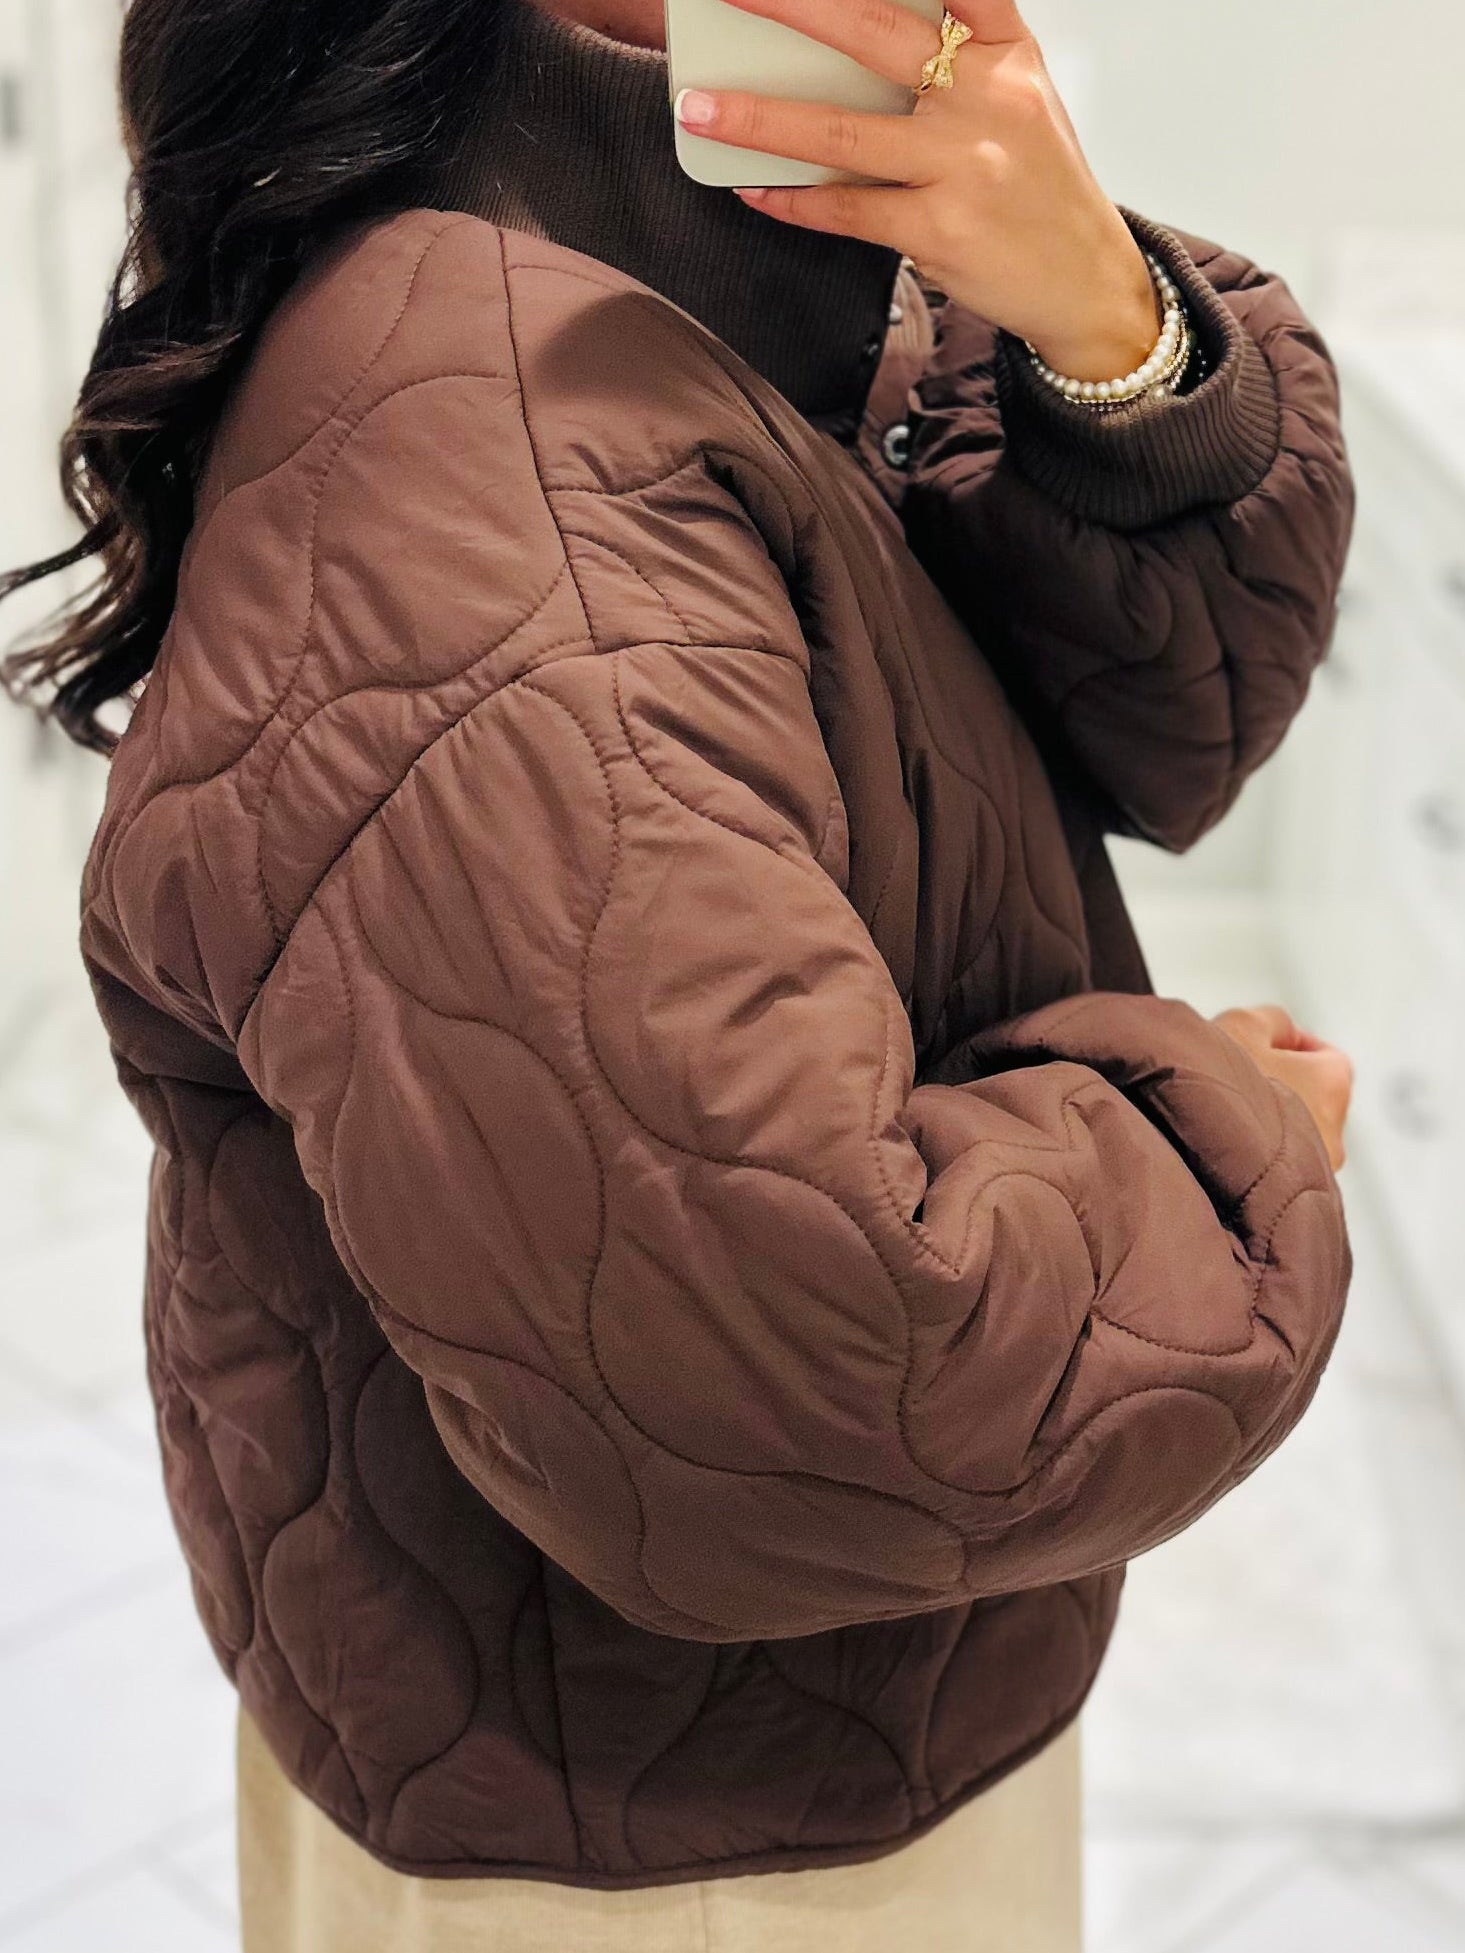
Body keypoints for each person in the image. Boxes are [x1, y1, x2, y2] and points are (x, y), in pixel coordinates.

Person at [2, 0, 1357, 1946]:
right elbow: (820, 1372)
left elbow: (1160, 719)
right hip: (671, 1844)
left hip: (739, 1739)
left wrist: (1107, 333)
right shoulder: (489, 472)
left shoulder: (695, 269)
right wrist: (1228, 1133)